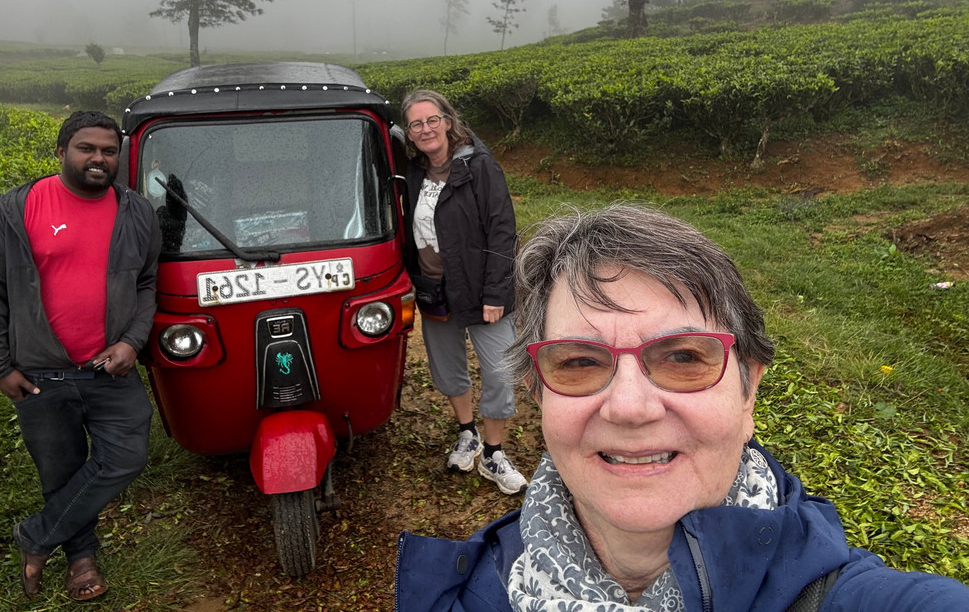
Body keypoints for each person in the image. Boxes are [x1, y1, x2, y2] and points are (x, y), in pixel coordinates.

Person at [395, 203, 969, 611]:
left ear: (749, 394)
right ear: (539, 396)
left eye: (684, 358)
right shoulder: (460, 594)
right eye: (578, 362)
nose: (628, 406)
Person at [0, 110, 161, 602]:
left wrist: (132, 341)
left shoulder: (136, 212)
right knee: (61, 472)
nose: (99, 158)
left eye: (109, 150)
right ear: (61, 152)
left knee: (126, 455)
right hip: (39, 374)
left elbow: (146, 284)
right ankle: (81, 563)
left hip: (109, 368)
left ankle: (35, 536)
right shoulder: (17, 209)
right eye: (87, 148)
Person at [401, 89, 527, 495]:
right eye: (416, 124)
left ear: (448, 121)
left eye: (432, 119)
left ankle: (493, 452)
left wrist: (496, 291)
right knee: (448, 367)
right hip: (433, 290)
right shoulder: (413, 173)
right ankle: (467, 432)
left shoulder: (479, 166)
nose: (426, 129)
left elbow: (502, 229)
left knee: (499, 371)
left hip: (479, 289)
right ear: (409, 133)